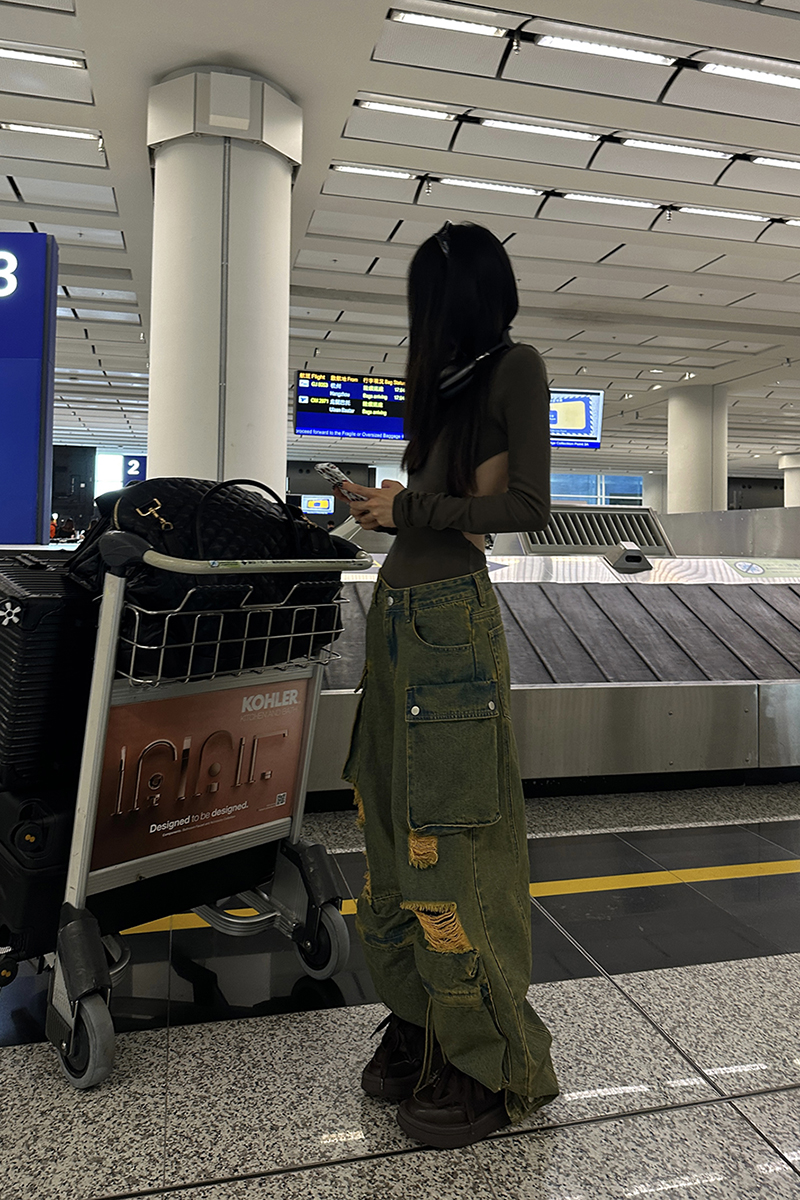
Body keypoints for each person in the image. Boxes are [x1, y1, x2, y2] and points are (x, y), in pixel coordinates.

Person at [335, 221, 558, 1150]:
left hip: (449, 623)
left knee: (453, 842)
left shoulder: (515, 368)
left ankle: (494, 1060)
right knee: (390, 831)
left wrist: (410, 506)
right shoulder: (447, 384)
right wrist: (387, 513)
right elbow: (438, 512)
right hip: (397, 617)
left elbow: (528, 506)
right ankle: (422, 1018)